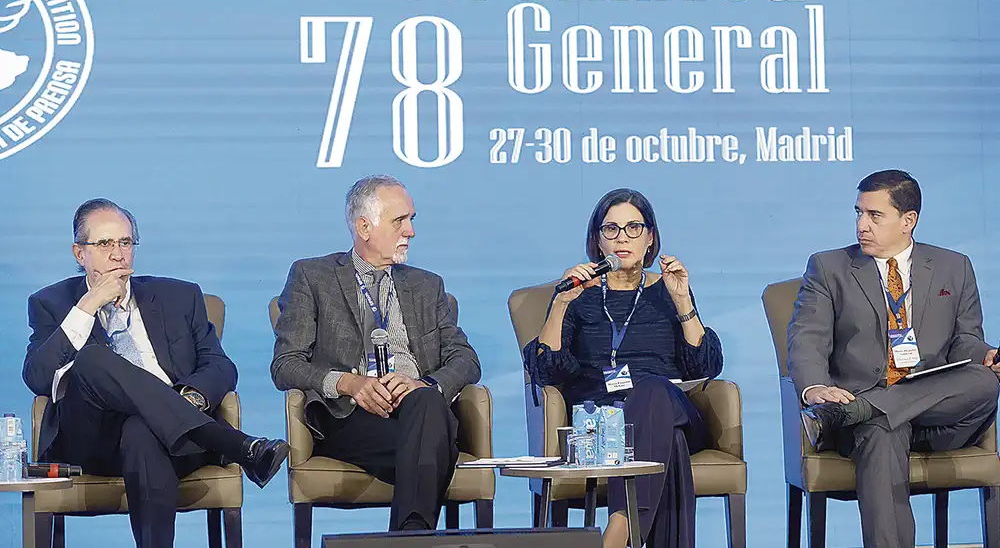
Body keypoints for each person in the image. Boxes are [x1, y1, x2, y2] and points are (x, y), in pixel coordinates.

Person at [23, 198, 289, 548]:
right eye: (104, 244)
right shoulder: (50, 303)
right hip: (93, 442)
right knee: (89, 359)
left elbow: (220, 365)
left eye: (125, 242)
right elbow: (38, 377)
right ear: (79, 253)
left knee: (140, 430)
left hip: (174, 439)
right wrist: (87, 307)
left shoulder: (178, 296)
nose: (117, 254)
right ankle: (231, 443)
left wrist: (190, 399)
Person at [788, 170, 1000, 548]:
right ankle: (869, 410)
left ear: (908, 220)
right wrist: (814, 387)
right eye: (859, 213)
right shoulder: (829, 267)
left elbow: (965, 340)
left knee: (985, 381)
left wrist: (986, 355)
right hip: (868, 424)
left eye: (874, 215)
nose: (861, 225)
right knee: (882, 430)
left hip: (937, 417)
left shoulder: (954, 266)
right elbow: (807, 337)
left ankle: (864, 408)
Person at [270, 175, 481, 531]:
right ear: (364, 227)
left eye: (411, 219)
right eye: (400, 221)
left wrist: (424, 384)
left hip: (419, 411)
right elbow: (285, 365)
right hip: (349, 417)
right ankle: (413, 535)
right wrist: (349, 383)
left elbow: (466, 359)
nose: (411, 231)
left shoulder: (426, 285)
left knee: (427, 404)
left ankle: (409, 536)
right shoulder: (313, 276)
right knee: (433, 446)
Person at [522, 188, 723, 548]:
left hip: (670, 407)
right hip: (602, 426)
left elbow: (705, 366)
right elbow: (547, 372)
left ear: (650, 238)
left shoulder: (668, 290)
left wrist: (682, 300)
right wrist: (561, 303)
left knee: (653, 390)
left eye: (633, 228)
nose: (622, 238)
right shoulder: (578, 294)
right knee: (670, 443)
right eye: (611, 229)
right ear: (598, 241)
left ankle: (616, 531)